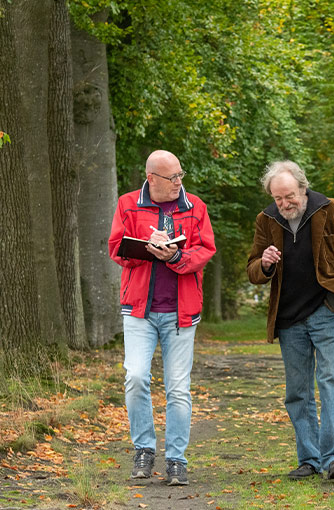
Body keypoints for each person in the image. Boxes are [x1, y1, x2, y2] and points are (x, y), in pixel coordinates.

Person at [247, 160, 334, 481]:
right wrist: (266, 263)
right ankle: (309, 459)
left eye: (289, 196)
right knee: (298, 392)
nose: (285, 204)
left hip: (326, 312)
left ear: (303, 187)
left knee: (330, 382)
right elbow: (252, 270)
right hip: (288, 318)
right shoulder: (266, 220)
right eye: (278, 199)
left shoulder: (333, 210)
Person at [108, 150, 216, 486]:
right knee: (136, 377)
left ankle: (176, 460)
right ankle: (144, 449)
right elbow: (116, 247)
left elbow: (205, 250)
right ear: (151, 178)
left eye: (181, 175)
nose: (179, 182)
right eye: (173, 178)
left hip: (181, 312)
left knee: (178, 389)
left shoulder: (195, 206)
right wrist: (145, 247)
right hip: (139, 310)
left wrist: (176, 255)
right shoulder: (128, 204)